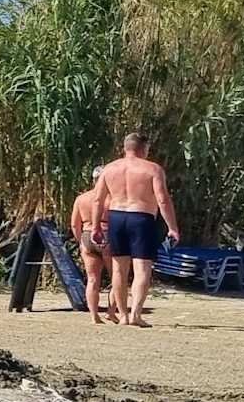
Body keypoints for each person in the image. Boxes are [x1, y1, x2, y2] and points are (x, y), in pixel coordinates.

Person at [95, 133, 181, 328]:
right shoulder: (152, 169)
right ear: (144, 148)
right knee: (142, 269)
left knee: (119, 269)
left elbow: (98, 200)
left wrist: (96, 225)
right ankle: (135, 314)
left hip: (116, 217)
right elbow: (162, 199)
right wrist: (172, 227)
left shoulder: (109, 169)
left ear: (125, 147)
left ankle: (123, 315)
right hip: (141, 218)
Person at [71, 182, 111, 324]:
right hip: (106, 233)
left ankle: (94, 316)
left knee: (92, 279)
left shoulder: (82, 199)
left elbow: (74, 224)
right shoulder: (111, 198)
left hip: (87, 234)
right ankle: (111, 312)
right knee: (116, 277)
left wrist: (80, 241)